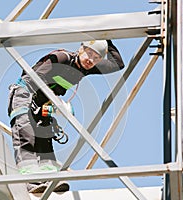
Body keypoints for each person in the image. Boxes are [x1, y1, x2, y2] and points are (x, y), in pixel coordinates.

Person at [7, 39, 124, 193]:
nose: (91, 60)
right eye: (89, 54)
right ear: (81, 49)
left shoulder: (87, 68)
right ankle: (32, 181)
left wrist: (106, 37)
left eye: (96, 58)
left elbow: (117, 64)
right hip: (25, 94)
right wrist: (57, 102)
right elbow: (35, 78)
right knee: (27, 134)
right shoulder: (62, 58)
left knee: (44, 140)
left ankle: (49, 179)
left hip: (44, 102)